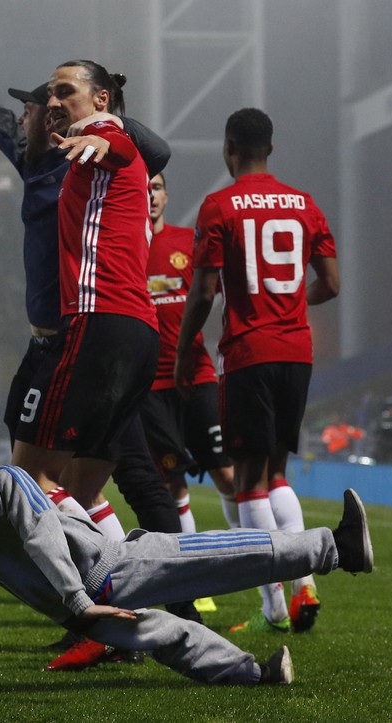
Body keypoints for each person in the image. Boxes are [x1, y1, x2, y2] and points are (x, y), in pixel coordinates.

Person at [0, 401, 373, 684]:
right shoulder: (4, 479)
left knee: (168, 638)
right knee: (225, 554)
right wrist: (80, 598)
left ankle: (256, 674)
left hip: (73, 609)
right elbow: (40, 531)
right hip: (102, 572)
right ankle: (339, 547)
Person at [0, 56, 182, 546]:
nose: (29, 114)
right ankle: (104, 586)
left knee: (62, 477)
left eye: (39, 105)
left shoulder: (89, 153)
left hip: (88, 334)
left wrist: (109, 129)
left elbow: (140, 147)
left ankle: (104, 587)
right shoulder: (37, 161)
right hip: (64, 340)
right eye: (45, 101)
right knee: (68, 474)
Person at [175, 108, 340, 635]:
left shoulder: (220, 205)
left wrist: (184, 350)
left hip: (249, 352)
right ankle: (304, 587)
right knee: (277, 474)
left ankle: (274, 603)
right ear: (271, 147)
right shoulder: (304, 204)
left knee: (247, 482)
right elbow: (332, 284)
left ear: (230, 148)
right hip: (297, 351)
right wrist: (290, 303)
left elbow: (202, 292)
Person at [143, 172, 238, 535]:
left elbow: (219, 292)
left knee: (227, 474)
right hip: (150, 387)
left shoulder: (189, 243)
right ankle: (195, 587)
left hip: (197, 376)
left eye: (157, 188)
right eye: (144, 189)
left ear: (167, 196)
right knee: (172, 485)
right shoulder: (123, 249)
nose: (151, 195)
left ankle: (259, 572)